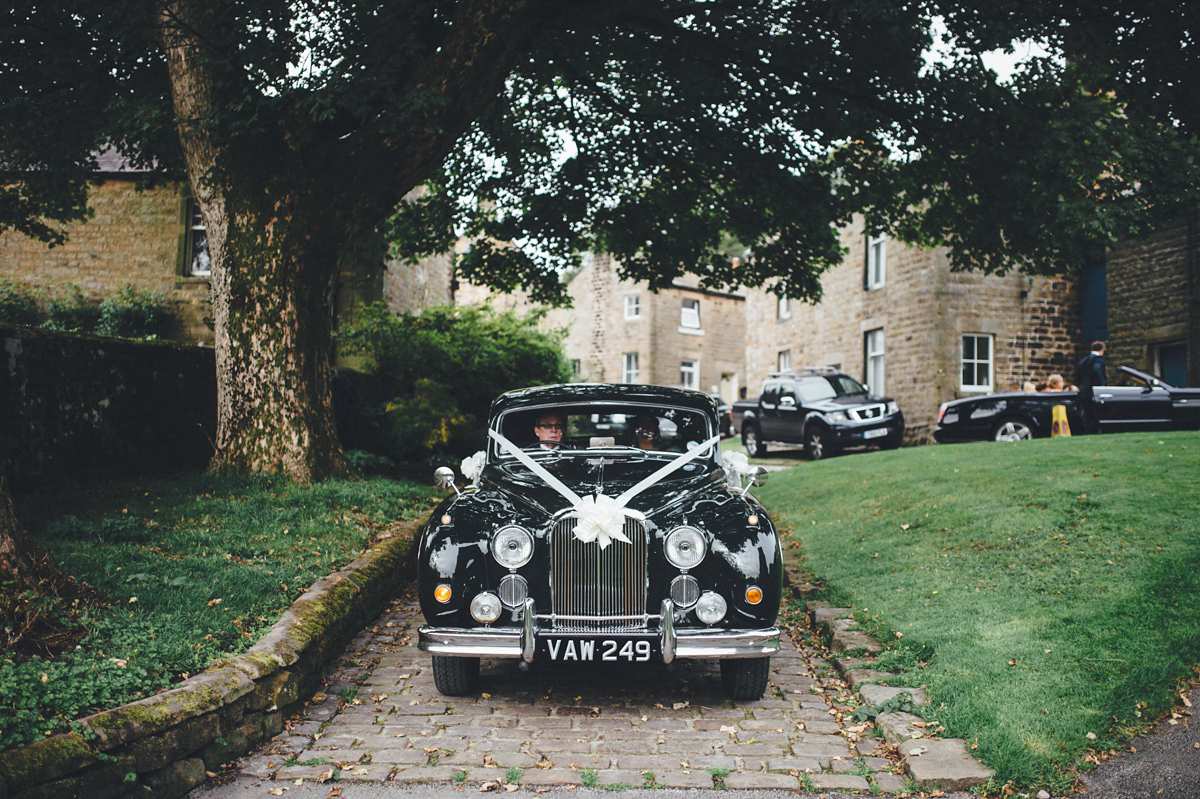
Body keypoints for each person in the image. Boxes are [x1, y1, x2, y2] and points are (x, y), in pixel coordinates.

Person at [1074, 341, 1108, 433]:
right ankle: (1093, 431)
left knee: (1087, 414)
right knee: (1096, 414)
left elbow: (1078, 377)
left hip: (1084, 391)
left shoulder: (1083, 361)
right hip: (1095, 391)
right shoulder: (1099, 360)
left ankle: (1088, 430)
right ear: (1102, 349)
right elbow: (1097, 370)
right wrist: (1103, 385)